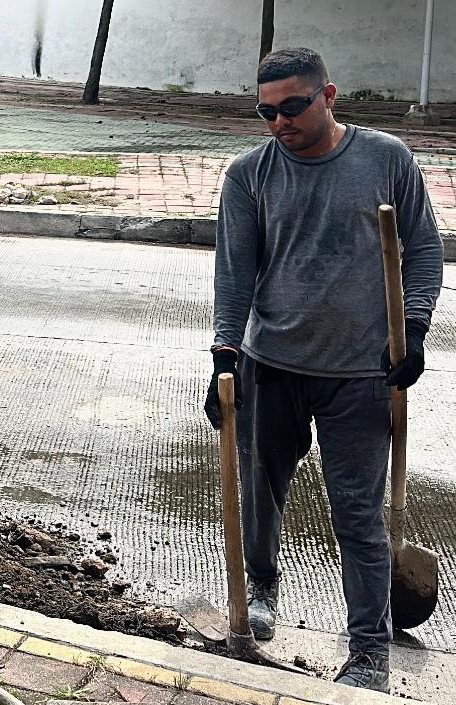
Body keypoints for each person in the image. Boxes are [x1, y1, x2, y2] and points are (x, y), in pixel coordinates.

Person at [208, 47, 442, 693]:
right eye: (266, 111)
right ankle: (262, 587)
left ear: (328, 95)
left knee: (359, 515)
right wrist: (224, 354)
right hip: (271, 363)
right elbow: (234, 273)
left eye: (291, 107)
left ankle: (369, 649)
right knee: (261, 491)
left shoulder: (384, 158)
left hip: (361, 373)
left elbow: (422, 248)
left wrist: (414, 329)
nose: (279, 121)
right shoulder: (249, 174)